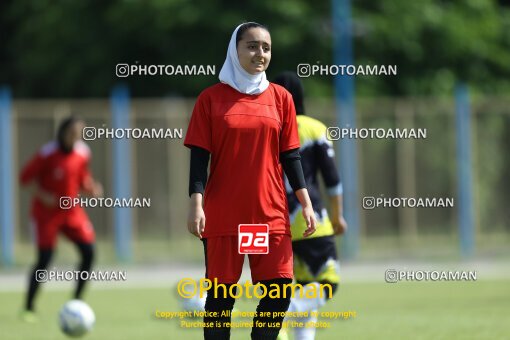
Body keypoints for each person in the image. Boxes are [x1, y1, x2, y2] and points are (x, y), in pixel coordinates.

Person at [184, 22, 317, 340]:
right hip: (225, 215)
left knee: (278, 291)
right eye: (253, 46)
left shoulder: (281, 99)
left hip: (266, 215)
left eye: (266, 48)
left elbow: (291, 157)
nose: (260, 53)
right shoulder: (211, 99)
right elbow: (199, 159)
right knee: (220, 299)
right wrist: (196, 205)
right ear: (235, 49)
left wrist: (306, 202)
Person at [273, 72, 347, 340]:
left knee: (289, 288)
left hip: (270, 222)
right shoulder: (314, 128)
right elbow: (333, 181)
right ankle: (278, 312)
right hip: (308, 219)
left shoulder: (265, 129)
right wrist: (338, 217)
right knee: (327, 283)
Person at [19, 116, 103, 322]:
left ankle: (76, 302)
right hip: (46, 214)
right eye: (72, 133)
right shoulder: (48, 153)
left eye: (80, 133)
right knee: (45, 259)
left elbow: (82, 177)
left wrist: (90, 187)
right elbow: (25, 178)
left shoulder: (83, 152)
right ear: (63, 132)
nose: (76, 137)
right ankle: (29, 307)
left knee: (89, 253)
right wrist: (43, 195)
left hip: (72, 212)